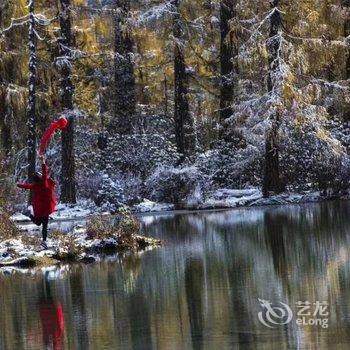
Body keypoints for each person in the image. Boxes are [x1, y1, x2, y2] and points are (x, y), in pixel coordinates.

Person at [17, 155, 57, 249]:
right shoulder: (43, 182)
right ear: (39, 177)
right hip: (45, 208)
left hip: (39, 207)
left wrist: (18, 185)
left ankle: (29, 215)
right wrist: (43, 161)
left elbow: (27, 186)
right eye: (39, 174)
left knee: (39, 223)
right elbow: (44, 170)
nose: (41, 174)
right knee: (44, 225)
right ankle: (44, 241)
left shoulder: (35, 185)